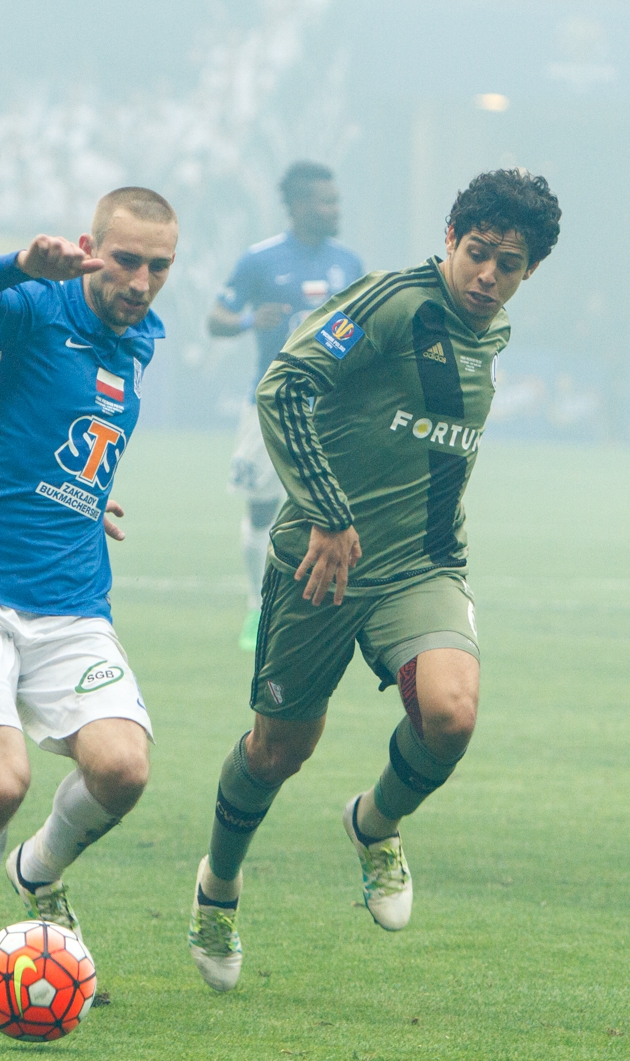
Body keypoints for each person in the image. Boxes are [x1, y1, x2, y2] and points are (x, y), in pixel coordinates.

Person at [187, 169, 562, 991]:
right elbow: (284, 386)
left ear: (530, 270)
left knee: (451, 715)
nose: (487, 275)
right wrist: (328, 512)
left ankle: (374, 822)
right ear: (450, 238)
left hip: (422, 564)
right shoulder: (393, 303)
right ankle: (219, 884)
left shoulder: (490, 332)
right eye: (477, 252)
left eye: (508, 264)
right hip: (322, 560)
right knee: (279, 750)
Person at [0, 187, 177, 1020]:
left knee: (123, 769)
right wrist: (20, 263)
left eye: (159, 267)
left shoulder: (142, 340)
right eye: (125, 260)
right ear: (92, 248)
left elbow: (77, 429)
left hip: (71, 602)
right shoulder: (29, 309)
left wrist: (86, 494)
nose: (140, 282)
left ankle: (39, 870)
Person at [207, 161, 363, 650]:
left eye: (336, 199)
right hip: (271, 405)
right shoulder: (260, 260)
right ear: (298, 205)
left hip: (332, 408)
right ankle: (256, 607)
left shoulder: (349, 264)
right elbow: (216, 319)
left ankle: (324, 609)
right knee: (261, 509)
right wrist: (250, 320)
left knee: (336, 510)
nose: (335, 208)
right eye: (325, 201)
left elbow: (363, 329)